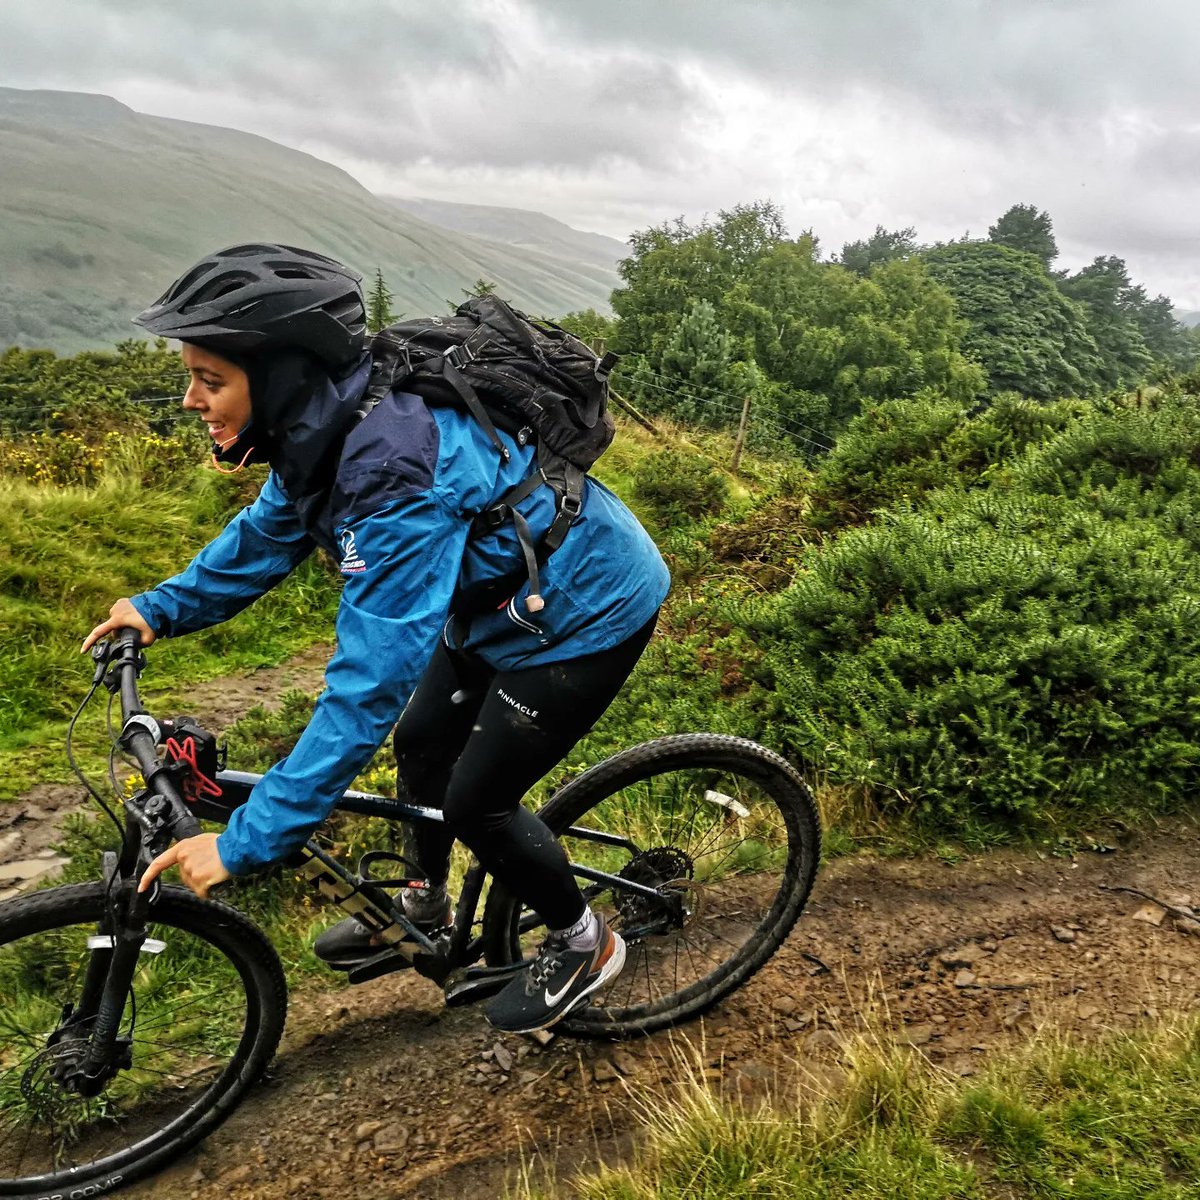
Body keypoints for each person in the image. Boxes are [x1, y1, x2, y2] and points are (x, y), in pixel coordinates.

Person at [81, 243, 670, 1034]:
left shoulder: (395, 475)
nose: (191, 399)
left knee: (477, 803)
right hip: (496, 603)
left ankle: (584, 941)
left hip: (583, 615)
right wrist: (161, 607)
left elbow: (366, 685)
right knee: (424, 741)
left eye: (209, 379)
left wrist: (249, 840)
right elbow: (269, 531)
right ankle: (424, 904)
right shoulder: (326, 432)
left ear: (284, 378)